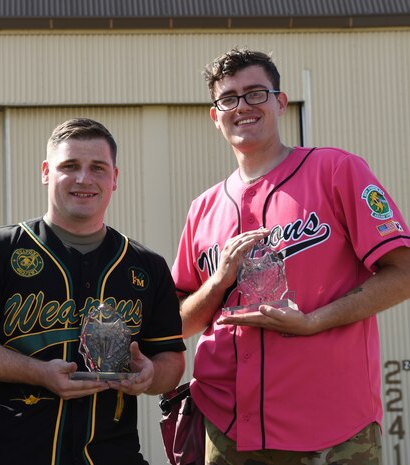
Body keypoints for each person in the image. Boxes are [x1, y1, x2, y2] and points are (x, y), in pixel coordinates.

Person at [172, 47, 410, 464]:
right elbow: (177, 322)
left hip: (332, 426)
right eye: (228, 98)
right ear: (216, 115)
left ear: (280, 102)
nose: (242, 106)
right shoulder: (203, 208)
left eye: (255, 93)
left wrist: (314, 321)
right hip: (226, 428)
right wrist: (217, 282)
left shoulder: (336, 170)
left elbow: (404, 272)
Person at [0, 117, 186, 465]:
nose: (84, 178)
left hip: (113, 454)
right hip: (10, 453)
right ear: (45, 172)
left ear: (114, 178)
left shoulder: (147, 264)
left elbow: (171, 360)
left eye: (98, 168)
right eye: (70, 166)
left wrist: (150, 375)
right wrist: (37, 372)